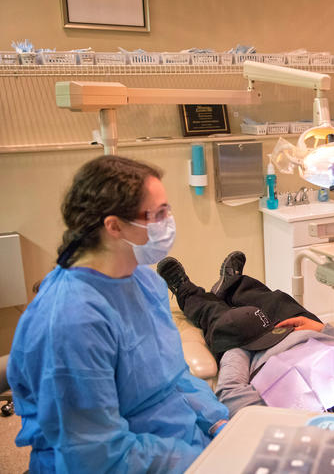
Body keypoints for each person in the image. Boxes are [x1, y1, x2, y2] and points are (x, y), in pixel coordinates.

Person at [7, 156, 229, 473]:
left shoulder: (144, 281)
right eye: (159, 214)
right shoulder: (73, 323)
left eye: (168, 210)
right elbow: (97, 455)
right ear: (114, 226)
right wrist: (201, 461)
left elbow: (175, 377)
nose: (168, 222)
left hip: (177, 443)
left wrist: (217, 421)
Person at [156, 254, 334, 420]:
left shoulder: (289, 416)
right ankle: (232, 284)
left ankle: (187, 291)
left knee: (225, 319)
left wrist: (235, 349)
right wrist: (321, 329)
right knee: (275, 299)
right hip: (307, 333)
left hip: (257, 348)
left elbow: (231, 392)